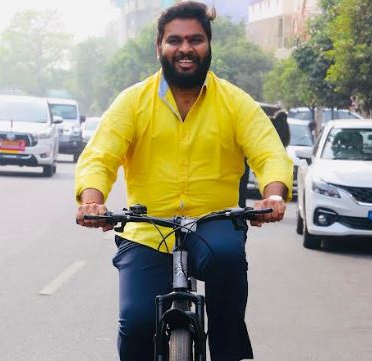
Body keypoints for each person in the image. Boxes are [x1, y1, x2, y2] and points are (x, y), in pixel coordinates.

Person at [75, 2, 293, 361]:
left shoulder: (235, 102)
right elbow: (100, 156)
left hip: (214, 224)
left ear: (209, 44)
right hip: (148, 230)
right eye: (175, 40)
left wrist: (273, 195)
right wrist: (92, 200)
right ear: (159, 47)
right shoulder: (132, 102)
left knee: (227, 268)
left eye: (196, 39)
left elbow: (269, 152)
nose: (185, 48)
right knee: (137, 322)